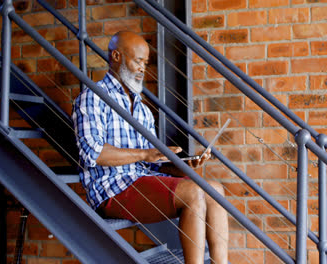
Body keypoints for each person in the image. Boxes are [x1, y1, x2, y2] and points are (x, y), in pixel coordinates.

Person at [72, 31, 228, 264]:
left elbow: (150, 163)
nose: (143, 68)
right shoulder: (92, 97)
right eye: (138, 61)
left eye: (145, 63)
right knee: (193, 193)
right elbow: (92, 153)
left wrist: (183, 166)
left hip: (141, 178)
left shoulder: (143, 109)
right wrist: (145, 153)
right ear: (116, 56)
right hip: (111, 188)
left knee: (214, 189)